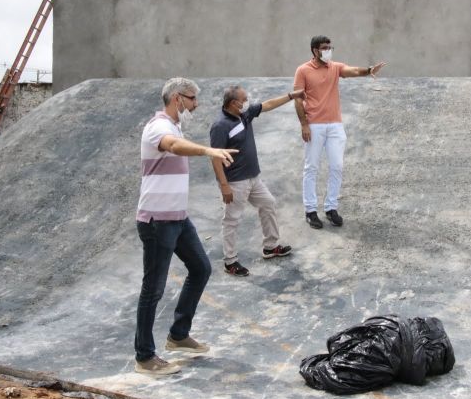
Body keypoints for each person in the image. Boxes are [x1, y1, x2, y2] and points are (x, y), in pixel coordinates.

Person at [134, 77, 237, 376]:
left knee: (201, 268)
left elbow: (177, 141)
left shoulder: (175, 125)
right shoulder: (159, 126)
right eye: (192, 99)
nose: (196, 105)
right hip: (157, 221)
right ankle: (144, 357)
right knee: (152, 289)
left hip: (178, 218)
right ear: (178, 98)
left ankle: (178, 335)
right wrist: (208, 151)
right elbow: (173, 146)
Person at [209, 85, 305, 276]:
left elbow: (268, 105)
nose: (247, 101)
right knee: (232, 220)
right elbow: (215, 157)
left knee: (268, 203)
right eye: (244, 99)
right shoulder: (220, 126)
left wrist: (290, 96)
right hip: (235, 181)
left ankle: (270, 246)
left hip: (253, 177)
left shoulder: (244, 115)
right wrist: (224, 185)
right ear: (233, 103)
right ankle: (230, 261)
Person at [293, 35, 385, 229]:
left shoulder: (334, 67)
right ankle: (310, 210)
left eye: (330, 47)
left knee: (337, 166)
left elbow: (351, 70)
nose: (328, 50)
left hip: (335, 125)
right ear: (315, 50)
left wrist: (368, 70)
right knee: (311, 168)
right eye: (324, 48)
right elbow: (298, 99)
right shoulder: (303, 71)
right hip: (315, 125)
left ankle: (331, 208)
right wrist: (304, 124)